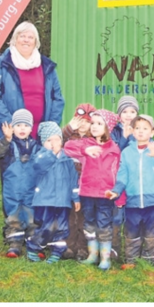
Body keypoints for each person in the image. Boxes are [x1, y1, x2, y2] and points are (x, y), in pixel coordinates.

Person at [106, 115, 154, 269]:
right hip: (133, 201)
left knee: (152, 232)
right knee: (131, 232)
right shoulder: (126, 152)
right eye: (137, 128)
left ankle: (150, 261)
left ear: (152, 132)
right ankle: (131, 260)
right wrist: (116, 191)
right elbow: (122, 175)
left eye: (145, 128)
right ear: (132, 131)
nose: (140, 131)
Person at [0, 21, 65, 141]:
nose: (26, 40)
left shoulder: (47, 67)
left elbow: (57, 98)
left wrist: (50, 127)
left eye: (30, 37)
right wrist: (12, 125)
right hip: (11, 134)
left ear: (36, 42)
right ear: (14, 39)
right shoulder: (1, 64)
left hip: (41, 135)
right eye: (22, 36)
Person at [63, 109, 123, 270]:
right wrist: (85, 151)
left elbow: (118, 172)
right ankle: (92, 254)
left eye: (99, 123)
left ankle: (105, 258)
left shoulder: (114, 149)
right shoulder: (86, 143)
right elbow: (67, 147)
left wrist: (118, 194)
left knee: (104, 224)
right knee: (89, 223)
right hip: (87, 192)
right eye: (92, 123)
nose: (94, 126)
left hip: (106, 194)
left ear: (108, 128)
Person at [25, 122, 81, 264]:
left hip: (62, 201)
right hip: (45, 200)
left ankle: (57, 252)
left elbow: (73, 180)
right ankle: (33, 247)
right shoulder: (41, 155)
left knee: (62, 227)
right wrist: (52, 153)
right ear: (43, 143)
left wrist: (75, 198)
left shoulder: (67, 159)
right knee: (46, 227)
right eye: (49, 140)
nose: (53, 143)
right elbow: (38, 167)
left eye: (57, 139)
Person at [0, 108, 40, 258]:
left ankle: (33, 243)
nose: (22, 129)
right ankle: (14, 243)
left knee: (32, 215)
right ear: (12, 127)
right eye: (18, 125)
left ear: (31, 128)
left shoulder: (36, 146)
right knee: (14, 215)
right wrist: (6, 139)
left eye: (25, 126)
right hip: (12, 190)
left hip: (31, 189)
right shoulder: (8, 144)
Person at [62, 102, 95, 261]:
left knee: (84, 216)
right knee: (70, 216)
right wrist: (69, 127)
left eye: (88, 122)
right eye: (80, 121)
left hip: (86, 184)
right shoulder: (68, 136)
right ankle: (69, 246)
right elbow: (55, 140)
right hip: (68, 183)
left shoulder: (94, 139)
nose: (83, 125)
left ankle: (83, 247)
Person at [109, 95, 138, 262]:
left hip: (134, 181)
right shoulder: (113, 131)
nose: (128, 115)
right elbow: (114, 153)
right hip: (117, 180)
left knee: (132, 217)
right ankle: (114, 249)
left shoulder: (140, 130)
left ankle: (131, 251)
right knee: (117, 216)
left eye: (132, 111)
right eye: (125, 111)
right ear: (119, 114)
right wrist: (125, 137)